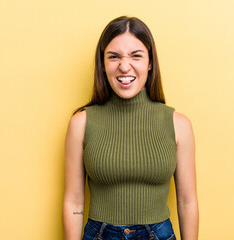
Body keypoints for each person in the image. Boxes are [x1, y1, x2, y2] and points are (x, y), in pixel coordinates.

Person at [63, 16, 198, 240]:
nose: (124, 66)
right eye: (113, 57)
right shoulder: (81, 123)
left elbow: (187, 201)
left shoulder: (178, 124)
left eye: (136, 56)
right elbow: (74, 202)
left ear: (150, 62)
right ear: (102, 63)